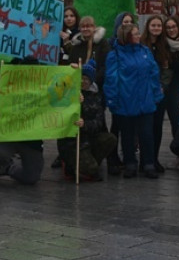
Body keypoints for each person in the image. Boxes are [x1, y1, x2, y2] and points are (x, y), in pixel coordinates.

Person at [103, 22, 163, 178]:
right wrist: (112, 99)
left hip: (145, 99)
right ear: (127, 37)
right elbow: (111, 79)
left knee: (147, 134)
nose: (138, 36)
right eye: (135, 34)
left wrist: (156, 94)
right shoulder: (115, 55)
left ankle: (148, 163)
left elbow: (153, 74)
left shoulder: (145, 51)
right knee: (127, 135)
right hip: (126, 100)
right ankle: (130, 162)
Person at [56, 61, 116, 181]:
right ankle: (71, 163)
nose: (83, 81)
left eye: (86, 79)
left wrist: (85, 124)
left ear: (91, 81)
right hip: (72, 142)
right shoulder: (69, 92)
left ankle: (88, 162)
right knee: (91, 169)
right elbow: (56, 86)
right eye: (81, 78)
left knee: (110, 139)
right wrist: (69, 70)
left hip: (89, 137)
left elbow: (98, 122)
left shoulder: (96, 96)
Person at [140, 14, 171, 172]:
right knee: (145, 127)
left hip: (159, 92)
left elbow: (167, 69)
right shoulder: (141, 44)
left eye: (159, 26)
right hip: (144, 92)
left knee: (157, 127)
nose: (156, 28)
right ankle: (145, 159)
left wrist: (163, 86)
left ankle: (154, 158)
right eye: (154, 25)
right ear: (148, 27)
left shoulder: (165, 45)